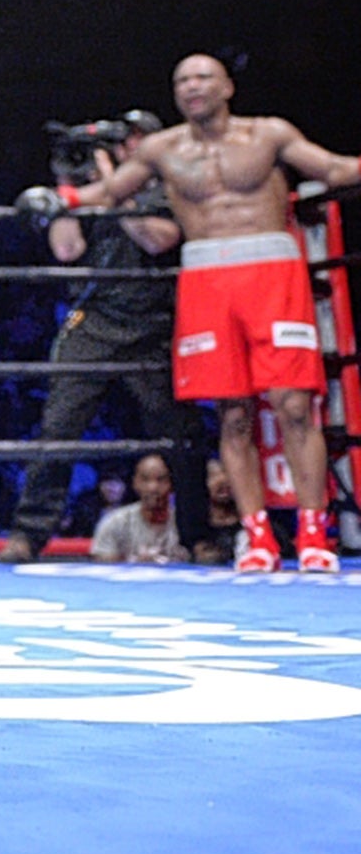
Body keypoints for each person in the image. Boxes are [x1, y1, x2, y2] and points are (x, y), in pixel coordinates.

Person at [77, 54, 359, 572]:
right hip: (206, 275)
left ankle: (314, 532)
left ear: (227, 86)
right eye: (182, 79)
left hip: (272, 269)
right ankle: (257, 540)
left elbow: (334, 168)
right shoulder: (163, 149)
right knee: (232, 413)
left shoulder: (268, 134)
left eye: (203, 77)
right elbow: (112, 193)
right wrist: (63, 196)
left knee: (293, 404)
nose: (193, 86)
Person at [5, 114, 205, 563]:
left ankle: (198, 535)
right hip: (93, 322)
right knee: (58, 429)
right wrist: (67, 188)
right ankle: (28, 533)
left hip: (152, 324)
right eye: (123, 138)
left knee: (180, 433)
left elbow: (157, 240)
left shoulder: (165, 187)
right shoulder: (86, 194)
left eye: (134, 137)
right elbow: (66, 250)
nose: (128, 144)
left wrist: (115, 186)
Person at [89, 453, 187, 564]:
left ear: (171, 483)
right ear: (135, 483)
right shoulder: (115, 522)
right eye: (145, 480)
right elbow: (101, 565)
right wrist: (135, 562)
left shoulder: (188, 523)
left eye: (161, 480)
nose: (153, 487)